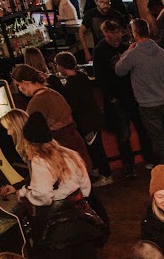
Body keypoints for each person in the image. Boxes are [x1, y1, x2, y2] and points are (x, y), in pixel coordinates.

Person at [18, 113, 112, 259]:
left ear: (30, 142)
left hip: (56, 229)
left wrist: (26, 193)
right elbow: (85, 188)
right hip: (80, 218)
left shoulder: (39, 161)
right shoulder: (70, 154)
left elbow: (43, 196)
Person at [115, 19, 164, 178]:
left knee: (160, 140)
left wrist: (127, 52)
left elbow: (119, 70)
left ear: (135, 33)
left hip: (147, 105)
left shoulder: (133, 55)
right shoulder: (162, 53)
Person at [48, 52, 115, 183]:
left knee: (96, 148)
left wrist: (55, 83)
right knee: (94, 147)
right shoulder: (81, 76)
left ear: (61, 66)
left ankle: (106, 175)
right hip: (93, 118)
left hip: (87, 121)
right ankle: (99, 170)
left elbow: (70, 102)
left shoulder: (72, 83)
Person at [10, 64, 94, 167]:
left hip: (62, 147)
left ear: (25, 82)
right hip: (74, 142)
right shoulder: (52, 92)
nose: (19, 88)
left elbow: (33, 135)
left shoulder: (36, 103)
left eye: (18, 84)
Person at [92, 20, 141, 178]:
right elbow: (101, 78)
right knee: (123, 134)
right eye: (113, 32)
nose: (117, 36)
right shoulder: (100, 51)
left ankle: (149, 158)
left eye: (118, 32)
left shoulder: (126, 47)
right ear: (105, 33)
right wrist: (111, 97)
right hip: (117, 98)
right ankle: (129, 165)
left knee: (141, 128)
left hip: (132, 95)